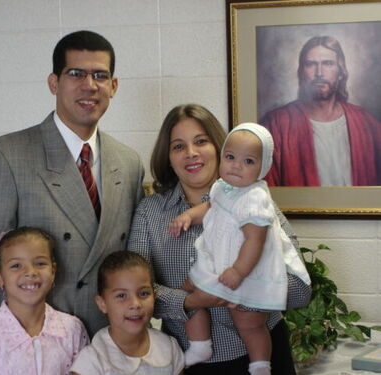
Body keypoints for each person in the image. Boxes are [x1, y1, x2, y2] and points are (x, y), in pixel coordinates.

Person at [0, 30, 144, 375]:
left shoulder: (128, 163)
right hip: (35, 350)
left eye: (100, 75)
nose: (89, 85)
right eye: (76, 74)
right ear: (54, 82)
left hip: (110, 347)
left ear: (114, 86)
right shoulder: (6, 156)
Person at [128, 104, 311, 374]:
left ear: (218, 146)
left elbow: (300, 289)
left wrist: (238, 291)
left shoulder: (255, 203)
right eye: (178, 146)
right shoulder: (149, 212)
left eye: (201, 141)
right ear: (167, 157)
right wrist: (191, 301)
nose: (191, 153)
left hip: (261, 356)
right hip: (189, 359)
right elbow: (135, 292)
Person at [259, 35, 381, 186]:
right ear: (301, 72)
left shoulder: (367, 123)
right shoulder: (276, 124)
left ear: (341, 71)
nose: (319, 73)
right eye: (311, 64)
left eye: (328, 63)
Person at [0, 227, 89, 374]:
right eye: (16, 266)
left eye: (40, 263)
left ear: (53, 272)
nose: (30, 272)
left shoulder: (73, 329)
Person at [70, 250, 185, 375]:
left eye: (144, 293)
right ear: (102, 304)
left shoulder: (169, 347)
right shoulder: (92, 360)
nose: (135, 304)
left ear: (154, 296)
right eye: (121, 296)